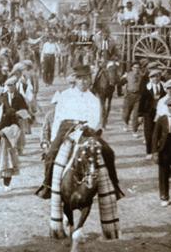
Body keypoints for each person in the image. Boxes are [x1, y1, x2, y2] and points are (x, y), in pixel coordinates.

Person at [36, 65, 124, 200]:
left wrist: (86, 128)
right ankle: (47, 185)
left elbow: (95, 119)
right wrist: (55, 138)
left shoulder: (94, 99)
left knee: (108, 152)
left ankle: (114, 187)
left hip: (87, 131)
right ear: (75, 80)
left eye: (86, 79)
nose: (83, 82)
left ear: (90, 80)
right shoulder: (65, 96)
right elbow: (59, 118)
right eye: (80, 79)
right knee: (51, 154)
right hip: (67, 128)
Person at [138, 69, 166, 160]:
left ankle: (158, 150)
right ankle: (149, 151)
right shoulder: (147, 88)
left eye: (157, 76)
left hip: (161, 112)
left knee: (160, 131)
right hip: (149, 113)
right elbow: (141, 101)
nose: (155, 79)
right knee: (149, 132)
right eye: (152, 77)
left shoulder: (164, 87)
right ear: (150, 78)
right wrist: (140, 114)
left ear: (159, 77)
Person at [120, 61, 143, 136]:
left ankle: (134, 131)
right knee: (127, 113)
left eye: (138, 68)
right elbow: (120, 83)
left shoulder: (141, 76)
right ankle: (125, 124)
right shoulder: (128, 75)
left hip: (138, 96)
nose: (136, 69)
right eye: (135, 67)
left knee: (136, 115)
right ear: (132, 68)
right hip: (129, 95)